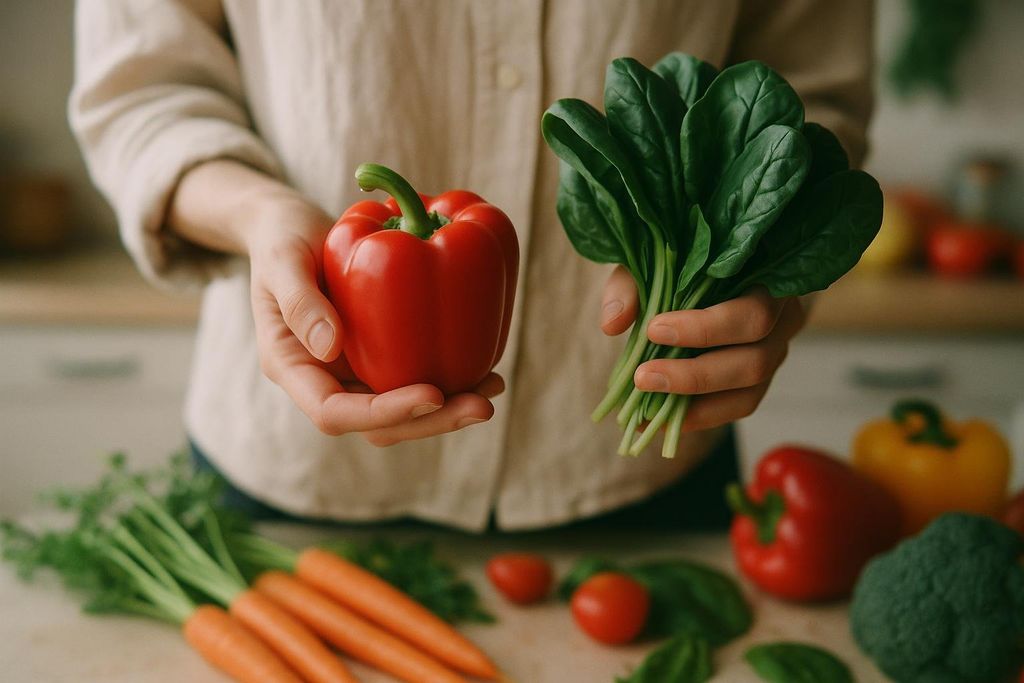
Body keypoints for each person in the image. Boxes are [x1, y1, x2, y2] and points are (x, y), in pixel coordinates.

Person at [70, 1, 873, 532]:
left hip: (643, 468)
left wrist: (757, 279)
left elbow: (809, 98)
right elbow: (141, 92)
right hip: (294, 468)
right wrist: (257, 212)